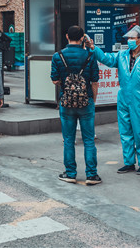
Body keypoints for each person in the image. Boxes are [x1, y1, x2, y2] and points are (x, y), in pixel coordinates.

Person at [87, 25, 140, 175]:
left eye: (133, 38)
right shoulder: (122, 56)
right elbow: (106, 58)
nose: (130, 41)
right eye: (129, 38)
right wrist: (94, 48)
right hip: (124, 99)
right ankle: (129, 162)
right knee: (125, 132)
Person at [51, 25, 101, 185]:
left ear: (66, 37)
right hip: (86, 102)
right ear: (82, 39)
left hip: (66, 103)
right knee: (88, 140)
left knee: (68, 140)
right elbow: (94, 82)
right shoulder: (90, 56)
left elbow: (55, 80)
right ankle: (92, 175)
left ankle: (70, 173)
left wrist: (67, 86)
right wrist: (92, 99)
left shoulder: (58, 56)